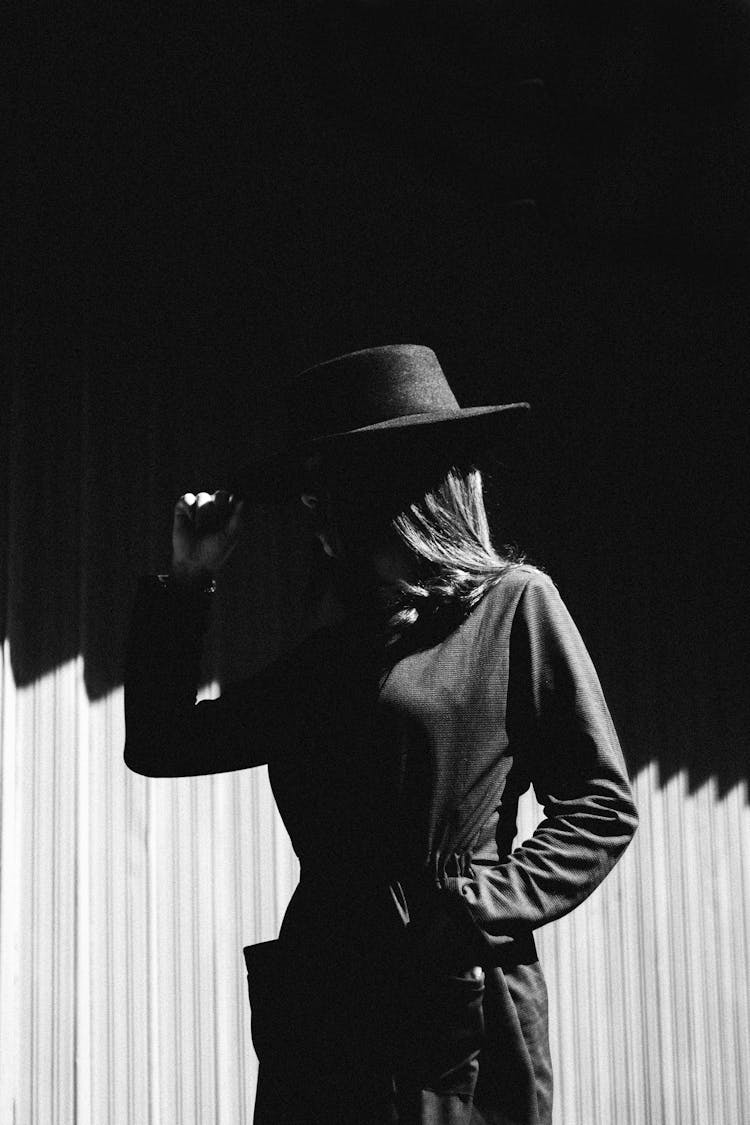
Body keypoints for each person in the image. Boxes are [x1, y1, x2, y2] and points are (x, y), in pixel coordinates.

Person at [124, 344, 638, 1125]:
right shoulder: (332, 655)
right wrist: (190, 581)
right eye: (309, 494)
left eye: (327, 489)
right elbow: (160, 744)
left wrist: (473, 905)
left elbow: (601, 805)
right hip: (324, 1001)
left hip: (452, 1003)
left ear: (396, 487)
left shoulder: (512, 608)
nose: (313, 513)